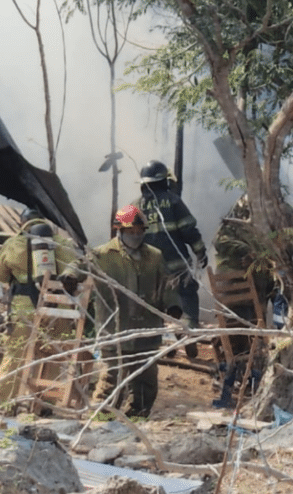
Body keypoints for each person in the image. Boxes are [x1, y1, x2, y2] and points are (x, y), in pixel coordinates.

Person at [62, 204, 176, 418]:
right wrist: (70, 277)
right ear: (119, 231)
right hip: (114, 329)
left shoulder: (155, 256)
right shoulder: (103, 255)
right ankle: (101, 420)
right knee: (109, 379)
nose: (135, 236)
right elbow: (79, 265)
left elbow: (168, 284)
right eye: (131, 232)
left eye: (139, 232)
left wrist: (175, 306)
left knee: (146, 380)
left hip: (147, 330)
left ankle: (137, 419)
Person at [0, 210, 77, 410]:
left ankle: (4, 406)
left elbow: (0, 275)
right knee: (54, 356)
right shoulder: (64, 244)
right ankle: (45, 405)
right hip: (59, 309)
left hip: (25, 309)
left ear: (22, 223)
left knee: (16, 356)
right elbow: (76, 271)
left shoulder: (13, 244)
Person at [132, 160, 207, 358]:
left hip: (149, 270)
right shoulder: (173, 201)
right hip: (178, 266)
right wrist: (200, 251)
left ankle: (168, 345)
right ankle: (188, 335)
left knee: (158, 305)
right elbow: (189, 229)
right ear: (164, 181)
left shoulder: (135, 207)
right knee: (187, 298)